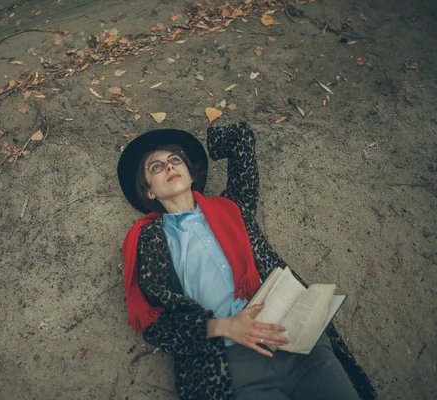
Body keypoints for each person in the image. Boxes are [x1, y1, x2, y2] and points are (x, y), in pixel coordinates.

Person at [117, 123, 376, 400]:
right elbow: (156, 326)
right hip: (231, 362)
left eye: (176, 159)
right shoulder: (150, 240)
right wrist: (222, 327)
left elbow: (242, 137)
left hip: (293, 336)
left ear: (191, 175)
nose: (169, 167)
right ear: (149, 192)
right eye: (156, 167)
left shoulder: (233, 206)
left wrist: (210, 145)